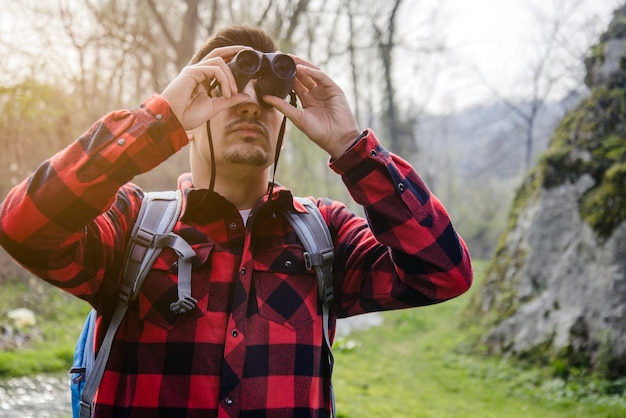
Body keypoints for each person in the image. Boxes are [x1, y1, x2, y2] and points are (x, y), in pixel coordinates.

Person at [0, 25, 473, 417]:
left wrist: (352, 146)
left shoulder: (324, 235)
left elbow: (443, 272)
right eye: (225, 90)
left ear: (286, 114)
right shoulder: (132, 226)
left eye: (268, 96)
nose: (249, 105)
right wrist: (158, 119)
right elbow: (24, 225)